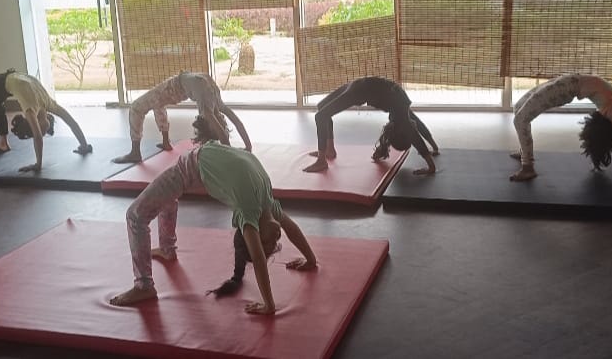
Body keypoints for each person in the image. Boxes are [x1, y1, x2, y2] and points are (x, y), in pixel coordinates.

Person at [110, 117, 318, 315]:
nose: (276, 236)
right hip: (203, 156)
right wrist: (310, 259)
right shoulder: (268, 204)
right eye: (274, 241)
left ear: (253, 232)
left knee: (135, 215)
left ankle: (144, 286)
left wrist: (268, 305)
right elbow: (290, 228)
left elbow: (258, 258)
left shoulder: (248, 213)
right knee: (165, 197)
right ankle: (167, 249)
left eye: (267, 242)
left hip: (189, 168)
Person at [509, 74, 612, 181]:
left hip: (567, 87)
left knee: (520, 120)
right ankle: (524, 152)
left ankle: (528, 167)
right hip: (569, 81)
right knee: (519, 107)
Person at [0, 69, 93, 172]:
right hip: (0, 81)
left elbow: (70, 123)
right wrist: (38, 164)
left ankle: (1, 144)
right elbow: (39, 135)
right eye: (43, 130)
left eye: (41, 131)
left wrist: (84, 145)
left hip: (9, 80)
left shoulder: (36, 108)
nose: (43, 132)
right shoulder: (44, 105)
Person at [303, 76, 439, 175]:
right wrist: (431, 164)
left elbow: (416, 127)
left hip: (359, 86)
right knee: (321, 111)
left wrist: (434, 146)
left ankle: (323, 158)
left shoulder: (402, 107)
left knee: (321, 114)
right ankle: (328, 152)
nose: (413, 126)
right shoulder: (402, 117)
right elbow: (415, 134)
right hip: (358, 88)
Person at [113, 72, 252, 163]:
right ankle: (166, 143)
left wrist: (230, 157)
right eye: (221, 122)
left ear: (209, 124)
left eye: (217, 125)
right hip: (177, 86)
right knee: (158, 102)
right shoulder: (218, 104)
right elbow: (237, 122)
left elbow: (223, 136)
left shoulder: (208, 110)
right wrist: (248, 147)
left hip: (174, 87)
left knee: (136, 107)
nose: (221, 122)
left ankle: (135, 152)